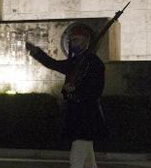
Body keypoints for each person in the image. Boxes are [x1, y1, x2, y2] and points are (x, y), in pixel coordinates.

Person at [26, 26, 107, 168]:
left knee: (76, 159)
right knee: (87, 159)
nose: (72, 43)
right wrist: (37, 53)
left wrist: (75, 90)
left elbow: (95, 91)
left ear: (85, 42)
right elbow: (54, 64)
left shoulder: (95, 63)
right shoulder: (75, 62)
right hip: (78, 116)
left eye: (75, 40)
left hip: (86, 116)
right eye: (72, 40)